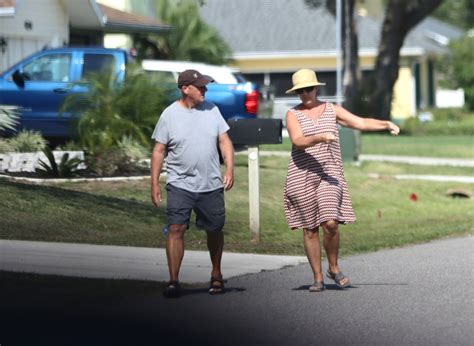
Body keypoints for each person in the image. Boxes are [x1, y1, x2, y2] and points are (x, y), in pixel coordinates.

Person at [283, 69, 399, 292]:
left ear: (316, 88)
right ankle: (317, 277)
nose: (305, 94)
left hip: (329, 173)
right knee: (309, 229)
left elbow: (361, 122)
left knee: (330, 223)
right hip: (302, 175)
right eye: (300, 91)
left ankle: (333, 267)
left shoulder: (331, 109)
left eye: (308, 89)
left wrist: (385, 124)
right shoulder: (292, 114)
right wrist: (319, 137)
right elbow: (297, 141)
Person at [150, 69, 234, 298]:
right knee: (176, 228)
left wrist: (230, 168)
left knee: (214, 229)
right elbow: (159, 150)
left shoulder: (212, 110)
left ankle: (216, 274)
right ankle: (173, 281)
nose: (205, 90)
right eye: (201, 87)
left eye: (205, 86)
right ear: (185, 89)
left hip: (211, 183)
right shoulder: (169, 115)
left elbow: (224, 141)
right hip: (180, 183)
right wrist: (155, 183)